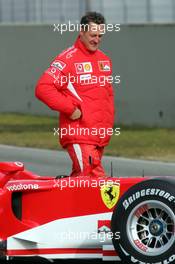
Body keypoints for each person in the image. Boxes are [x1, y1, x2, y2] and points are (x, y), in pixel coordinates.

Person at [35, 12, 114, 177]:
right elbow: (43, 88)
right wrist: (71, 109)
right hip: (79, 134)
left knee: (81, 183)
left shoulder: (104, 60)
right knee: (94, 182)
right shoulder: (67, 59)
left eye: (100, 36)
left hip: (98, 136)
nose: (97, 39)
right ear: (82, 32)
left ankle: (57, 201)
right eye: (93, 35)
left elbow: (105, 97)